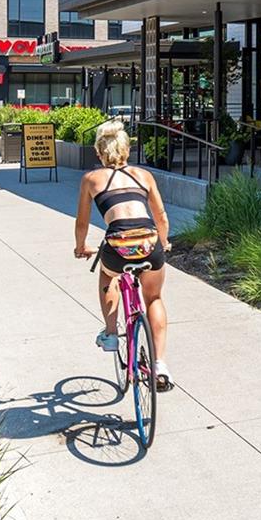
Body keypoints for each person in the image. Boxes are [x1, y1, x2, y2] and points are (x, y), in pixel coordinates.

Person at [74, 120, 174, 391]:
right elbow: (161, 217)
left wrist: (81, 247)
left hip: (117, 245)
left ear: (99, 153)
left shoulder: (91, 179)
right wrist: (162, 243)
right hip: (150, 243)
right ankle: (160, 364)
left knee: (108, 274)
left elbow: (82, 223)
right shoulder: (144, 176)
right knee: (153, 297)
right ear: (128, 150)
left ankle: (110, 333)